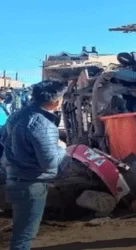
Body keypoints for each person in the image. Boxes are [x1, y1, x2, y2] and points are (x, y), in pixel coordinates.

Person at [1, 79, 71, 249]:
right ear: (56, 102)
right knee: (24, 237)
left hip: (14, 178)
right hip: (31, 185)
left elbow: (3, 141)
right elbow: (50, 162)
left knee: (21, 233)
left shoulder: (17, 115)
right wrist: (63, 149)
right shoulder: (43, 125)